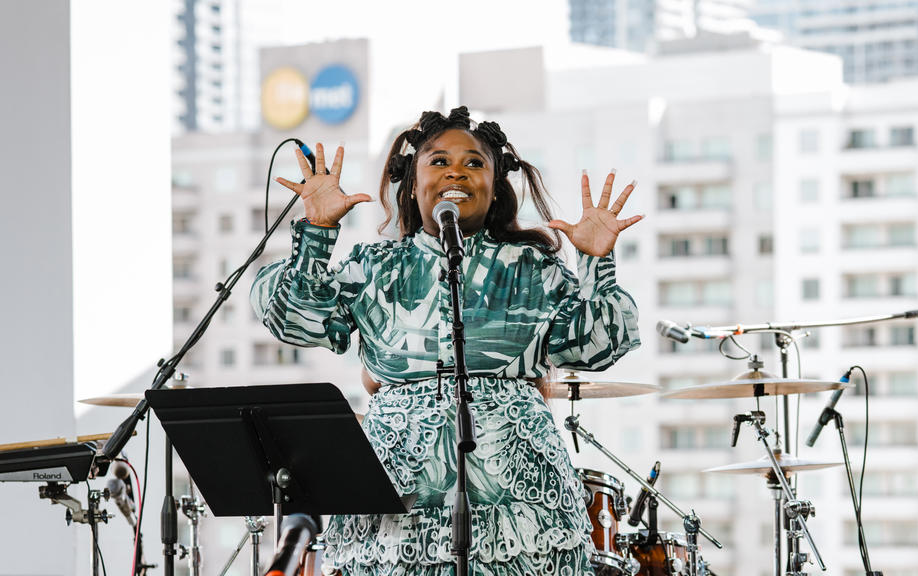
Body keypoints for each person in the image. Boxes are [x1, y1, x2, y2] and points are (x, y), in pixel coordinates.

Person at [250, 106, 642, 576]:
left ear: (495, 187)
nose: (457, 170)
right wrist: (316, 233)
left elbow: (602, 344)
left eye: (475, 163)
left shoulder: (529, 267)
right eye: (438, 161)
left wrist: (597, 263)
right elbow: (292, 319)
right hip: (396, 512)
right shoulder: (376, 267)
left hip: (521, 512)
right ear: (412, 186)